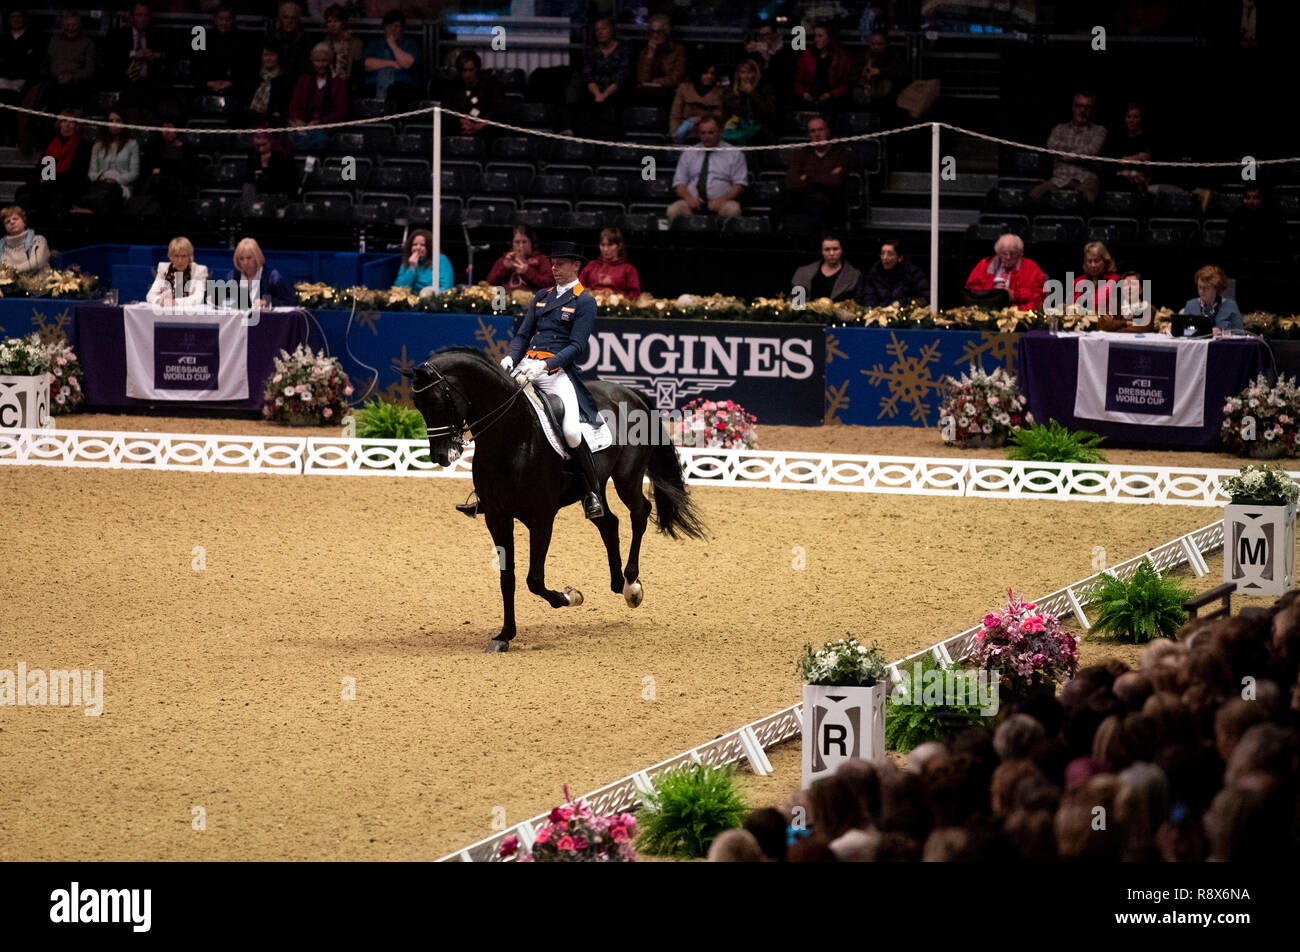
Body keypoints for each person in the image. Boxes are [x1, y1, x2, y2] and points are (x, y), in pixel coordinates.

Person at [502, 240, 608, 521]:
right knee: (499, 417)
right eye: (552, 263)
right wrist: (511, 357)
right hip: (525, 368)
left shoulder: (584, 301)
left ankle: (591, 492)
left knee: (572, 432)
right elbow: (524, 335)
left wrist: (547, 365)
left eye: (560, 263)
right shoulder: (541, 296)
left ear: (576, 266)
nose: (554, 268)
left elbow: (577, 346)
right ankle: (490, 488)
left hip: (555, 373)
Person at [779, 115, 850, 239]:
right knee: (779, 206)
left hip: (828, 201)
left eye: (820, 130)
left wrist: (807, 177)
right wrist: (824, 176)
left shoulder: (840, 153)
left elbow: (834, 182)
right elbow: (792, 183)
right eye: (813, 131)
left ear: (828, 131)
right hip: (801, 199)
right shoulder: (801, 154)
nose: (817, 134)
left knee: (816, 211)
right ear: (809, 136)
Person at [1032, 91, 1107, 206]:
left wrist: (1064, 153)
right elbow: (1051, 147)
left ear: (1093, 110)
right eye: (1079, 106)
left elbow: (1090, 153)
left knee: (1087, 200)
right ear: (1073, 107)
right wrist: (1079, 154)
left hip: (1085, 180)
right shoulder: (1059, 129)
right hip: (1059, 179)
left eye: (1087, 107)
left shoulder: (1099, 131)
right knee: (1035, 195)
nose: (1082, 111)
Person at [667, 116, 747, 222]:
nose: (706, 137)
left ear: (720, 132)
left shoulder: (734, 154)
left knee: (733, 210)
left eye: (711, 133)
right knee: (673, 210)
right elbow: (680, 185)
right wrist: (689, 199)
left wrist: (721, 200)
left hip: (723, 203)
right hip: (692, 203)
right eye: (703, 133)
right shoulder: (688, 153)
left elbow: (739, 186)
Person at [14, 109, 90, 214]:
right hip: (48, 182)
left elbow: (77, 173)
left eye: (71, 122)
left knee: (53, 195)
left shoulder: (82, 145)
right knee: (22, 193)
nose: (67, 125)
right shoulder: (52, 143)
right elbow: (41, 168)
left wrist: (50, 181)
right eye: (64, 121)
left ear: (78, 126)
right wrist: (40, 180)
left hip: (69, 186)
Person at [106, 2, 171, 122]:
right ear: (131, 17)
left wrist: (158, 55)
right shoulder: (117, 35)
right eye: (139, 15)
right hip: (125, 84)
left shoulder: (159, 35)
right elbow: (109, 57)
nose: (143, 19)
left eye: (146, 15)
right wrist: (134, 54)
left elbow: (173, 55)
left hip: (152, 86)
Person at [288, 43, 348, 153]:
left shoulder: (339, 83)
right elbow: (293, 105)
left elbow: (340, 112)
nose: (320, 65)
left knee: (319, 140)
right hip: (302, 126)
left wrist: (319, 122)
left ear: (330, 62)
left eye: (324, 61)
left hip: (326, 127)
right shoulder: (304, 80)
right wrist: (297, 121)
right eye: (317, 61)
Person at [35, 11, 95, 119]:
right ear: (62, 26)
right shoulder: (54, 41)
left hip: (77, 86)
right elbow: (45, 65)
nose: (70, 28)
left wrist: (71, 77)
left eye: (74, 25)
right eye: (67, 25)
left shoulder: (88, 43)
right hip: (53, 83)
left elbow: (89, 70)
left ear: (80, 26)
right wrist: (54, 76)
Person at [964, 233, 1047, 311]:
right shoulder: (985, 265)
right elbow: (971, 293)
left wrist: (1014, 296)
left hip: (1019, 314)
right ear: (998, 253)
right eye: (1004, 254)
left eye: (1013, 254)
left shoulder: (1031, 268)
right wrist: (991, 295)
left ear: (1020, 253)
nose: (1008, 257)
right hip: (986, 312)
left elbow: (1038, 299)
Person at [0, 10, 46, 148]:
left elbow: (31, 64)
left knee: (10, 101)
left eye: (18, 16)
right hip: (3, 79)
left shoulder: (34, 37)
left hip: (24, 81)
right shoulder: (3, 38)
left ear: (25, 18)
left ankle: (12, 139)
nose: (15, 20)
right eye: (12, 17)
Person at [131, 120, 196, 216]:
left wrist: (164, 170)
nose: (167, 131)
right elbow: (149, 170)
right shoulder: (155, 148)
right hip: (157, 189)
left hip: (178, 189)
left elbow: (189, 173)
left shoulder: (188, 150)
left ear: (177, 129)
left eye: (169, 127)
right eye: (164, 128)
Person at [362, 10, 421, 111]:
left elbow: (408, 64)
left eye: (397, 26)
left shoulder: (410, 44)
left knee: (398, 90)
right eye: (389, 26)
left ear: (402, 29)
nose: (393, 30)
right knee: (364, 92)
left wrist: (393, 46)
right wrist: (392, 63)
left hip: (402, 86)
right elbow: (367, 64)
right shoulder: (374, 45)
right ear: (384, 28)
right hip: (374, 85)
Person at [580, 16, 628, 137]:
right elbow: (588, 76)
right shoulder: (590, 51)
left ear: (612, 30)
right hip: (594, 91)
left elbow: (620, 77)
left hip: (615, 91)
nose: (600, 32)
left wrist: (605, 95)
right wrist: (598, 95)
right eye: (597, 30)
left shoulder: (623, 50)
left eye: (604, 28)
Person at [215, 237, 296, 309]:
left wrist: (267, 303)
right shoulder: (232, 276)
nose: (245, 262)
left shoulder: (273, 277)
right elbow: (221, 300)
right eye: (241, 259)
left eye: (249, 258)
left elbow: (288, 302)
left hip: (268, 320)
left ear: (257, 257)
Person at [794, 23, 854, 115]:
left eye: (820, 36)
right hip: (809, 98)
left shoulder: (842, 58)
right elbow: (799, 80)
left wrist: (830, 95)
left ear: (830, 38)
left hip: (833, 100)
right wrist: (803, 93)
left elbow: (846, 83)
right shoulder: (806, 56)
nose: (816, 39)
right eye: (815, 36)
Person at [445, 50, 502, 138]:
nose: (468, 74)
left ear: (477, 69)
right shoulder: (455, 84)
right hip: (461, 129)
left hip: (486, 130)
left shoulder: (490, 83)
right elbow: (449, 110)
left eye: (471, 70)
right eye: (464, 70)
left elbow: (498, 111)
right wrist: (461, 121)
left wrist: (480, 126)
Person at [857, 238, 929, 307]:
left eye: (890, 254)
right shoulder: (874, 273)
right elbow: (868, 296)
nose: (885, 258)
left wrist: (902, 303)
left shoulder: (913, 273)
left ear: (900, 257)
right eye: (882, 253)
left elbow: (924, 299)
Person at [791, 234, 862, 302]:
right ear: (822, 251)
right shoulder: (803, 272)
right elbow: (796, 304)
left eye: (835, 249)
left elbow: (857, 304)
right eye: (827, 249)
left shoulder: (854, 275)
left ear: (841, 250)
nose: (831, 253)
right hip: (808, 313)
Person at [721, 59, 777, 145]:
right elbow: (731, 112)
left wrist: (752, 93)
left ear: (755, 74)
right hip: (736, 132)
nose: (746, 76)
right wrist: (743, 95)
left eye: (749, 72)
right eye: (743, 72)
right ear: (738, 75)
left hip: (761, 133)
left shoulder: (765, 89)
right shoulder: (730, 92)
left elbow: (768, 112)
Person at [635, 14, 687, 106]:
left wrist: (654, 82)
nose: (655, 35)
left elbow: (676, 79)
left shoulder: (678, 50)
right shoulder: (645, 51)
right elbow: (642, 79)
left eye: (659, 32)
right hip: (649, 92)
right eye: (652, 32)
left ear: (666, 33)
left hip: (671, 92)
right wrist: (650, 55)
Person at [668, 59, 724, 142]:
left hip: (710, 137)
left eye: (712, 73)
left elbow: (719, 117)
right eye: (705, 73)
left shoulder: (720, 92)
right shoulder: (684, 89)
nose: (709, 76)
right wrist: (675, 135)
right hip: (685, 136)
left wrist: (700, 118)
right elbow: (675, 115)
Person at [485, 224, 552, 293]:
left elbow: (550, 285)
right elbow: (489, 283)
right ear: (512, 244)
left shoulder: (542, 260)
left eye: (524, 242)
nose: (521, 246)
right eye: (517, 242)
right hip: (505, 300)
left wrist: (527, 272)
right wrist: (504, 268)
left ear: (531, 243)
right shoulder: (504, 260)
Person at [745, 21, 796, 109]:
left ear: (776, 35)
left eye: (766, 35)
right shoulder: (756, 53)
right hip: (759, 98)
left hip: (781, 100)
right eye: (760, 36)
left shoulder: (788, 52)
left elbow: (784, 75)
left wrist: (769, 53)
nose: (763, 39)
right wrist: (747, 53)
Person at [578, 228, 642, 298]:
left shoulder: (629, 269)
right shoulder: (591, 266)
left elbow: (635, 294)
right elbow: (578, 288)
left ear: (619, 246)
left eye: (610, 245)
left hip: (618, 307)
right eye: (603, 245)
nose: (605, 249)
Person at [197, 4, 244, 99]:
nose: (224, 23)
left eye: (228, 19)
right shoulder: (202, 38)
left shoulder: (241, 40)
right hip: (206, 87)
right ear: (214, 19)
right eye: (221, 19)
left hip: (233, 88)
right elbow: (196, 66)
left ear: (233, 21)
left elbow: (244, 67)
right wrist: (209, 83)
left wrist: (230, 83)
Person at [146, 236, 209, 307]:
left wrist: (175, 302)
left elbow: (198, 298)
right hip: (165, 312)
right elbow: (150, 295)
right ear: (171, 257)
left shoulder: (199, 270)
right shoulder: (163, 268)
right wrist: (160, 301)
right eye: (176, 256)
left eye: (183, 256)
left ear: (190, 257)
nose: (180, 260)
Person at [852, 31, 906, 113]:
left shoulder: (893, 57)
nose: (876, 47)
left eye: (879, 44)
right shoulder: (864, 56)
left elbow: (901, 72)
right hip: (864, 94)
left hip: (886, 99)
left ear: (886, 44)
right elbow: (853, 73)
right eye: (873, 44)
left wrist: (880, 71)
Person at [1181, 265, 1243, 333]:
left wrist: (1222, 331)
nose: (1202, 291)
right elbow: (1183, 332)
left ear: (1216, 288)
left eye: (1206, 288)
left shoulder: (1231, 305)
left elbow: (1240, 334)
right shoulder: (1191, 305)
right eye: (1200, 287)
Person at [1105, 102, 1152, 192]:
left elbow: (1144, 157)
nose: (1131, 120)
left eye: (1135, 117)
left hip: (1140, 177)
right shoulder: (1119, 137)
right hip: (1121, 175)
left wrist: (1127, 159)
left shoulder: (1146, 137)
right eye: (1129, 117)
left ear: (1141, 119)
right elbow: (1114, 160)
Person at [244, 42, 293, 127]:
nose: (268, 58)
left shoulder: (285, 79)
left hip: (273, 121)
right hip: (251, 117)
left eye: (272, 55)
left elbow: (283, 106)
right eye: (265, 55)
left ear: (278, 57)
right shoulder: (253, 76)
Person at [394, 229, 453, 295]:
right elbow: (398, 289)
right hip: (411, 302)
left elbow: (446, 287)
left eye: (422, 245)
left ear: (429, 247)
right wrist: (412, 268)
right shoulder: (408, 262)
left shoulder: (440, 259)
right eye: (414, 244)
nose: (418, 247)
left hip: (434, 301)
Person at [245, 129, 298, 200]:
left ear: (271, 142)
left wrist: (265, 166)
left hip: (279, 191)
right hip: (260, 191)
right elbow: (250, 177)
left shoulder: (281, 156)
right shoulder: (253, 156)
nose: (261, 149)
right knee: (248, 187)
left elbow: (280, 181)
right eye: (257, 145)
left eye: (264, 145)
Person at [267, 1, 311, 81]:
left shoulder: (306, 41)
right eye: (285, 17)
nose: (289, 21)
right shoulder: (272, 40)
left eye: (293, 18)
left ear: (298, 20)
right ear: (280, 20)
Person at [1072, 241, 1120, 314]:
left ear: (1105, 261)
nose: (1093, 265)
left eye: (1097, 261)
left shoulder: (1115, 280)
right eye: (1089, 261)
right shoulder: (1077, 281)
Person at [0, 205, 49, 272]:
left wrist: (9, 271)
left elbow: (37, 263)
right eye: (7, 221)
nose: (12, 222)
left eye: (15, 219)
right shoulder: (1, 245)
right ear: (5, 227)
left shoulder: (39, 240)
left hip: (37, 281)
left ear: (24, 222)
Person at [322, 4, 363, 85]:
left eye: (336, 21)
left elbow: (357, 72)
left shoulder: (355, 44)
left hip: (349, 85)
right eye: (329, 21)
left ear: (343, 23)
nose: (332, 25)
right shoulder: (323, 45)